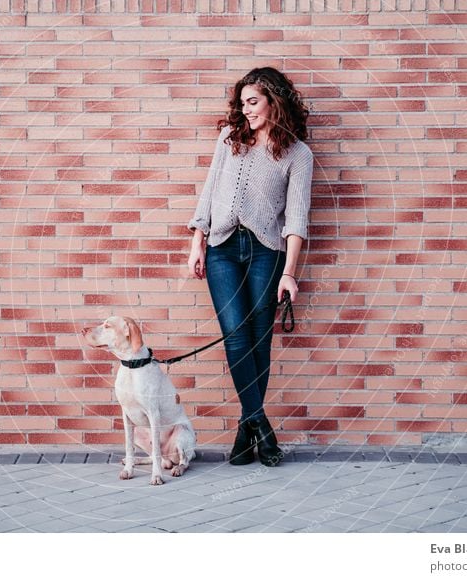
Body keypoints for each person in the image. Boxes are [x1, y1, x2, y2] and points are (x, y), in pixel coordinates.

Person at [187, 67, 313, 467]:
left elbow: (296, 219)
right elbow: (209, 191)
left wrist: (290, 273)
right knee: (236, 338)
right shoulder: (229, 138)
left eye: (253, 102)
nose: (246, 110)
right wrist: (197, 241)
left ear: (274, 100)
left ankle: (246, 430)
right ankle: (262, 426)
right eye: (241, 103)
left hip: (266, 252)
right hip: (223, 248)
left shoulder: (298, 154)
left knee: (259, 342)